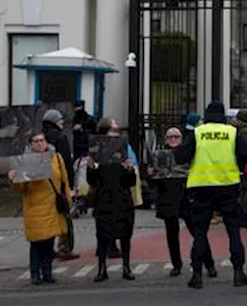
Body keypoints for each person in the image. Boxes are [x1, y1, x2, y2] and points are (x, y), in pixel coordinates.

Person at [174, 101, 247, 289]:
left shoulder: (197, 132)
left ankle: (197, 275)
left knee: (200, 233)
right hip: (227, 184)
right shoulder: (232, 132)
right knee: (233, 231)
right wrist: (239, 165)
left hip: (201, 186)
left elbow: (180, 157)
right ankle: (238, 273)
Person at [9, 131, 73, 285]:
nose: (40, 143)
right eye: (36, 141)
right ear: (31, 144)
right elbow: (20, 188)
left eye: (42, 140)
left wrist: (68, 200)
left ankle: (47, 272)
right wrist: (13, 179)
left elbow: (64, 181)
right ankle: (35, 273)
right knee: (37, 243)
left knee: (49, 242)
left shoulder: (56, 158)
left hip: (52, 207)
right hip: (34, 207)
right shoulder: (24, 161)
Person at [87, 129, 138, 282]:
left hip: (122, 201)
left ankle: (126, 267)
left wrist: (129, 170)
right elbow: (92, 182)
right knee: (102, 236)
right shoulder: (100, 161)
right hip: (104, 201)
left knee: (125, 236)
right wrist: (90, 168)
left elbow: (132, 182)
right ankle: (102, 268)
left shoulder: (123, 160)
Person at [147, 127, 198, 276]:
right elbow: (153, 182)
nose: (173, 139)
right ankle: (176, 264)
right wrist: (151, 175)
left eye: (176, 136)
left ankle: (207, 263)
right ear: (165, 140)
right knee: (171, 235)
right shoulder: (159, 155)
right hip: (167, 198)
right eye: (170, 137)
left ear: (181, 139)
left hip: (185, 197)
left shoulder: (188, 154)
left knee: (196, 232)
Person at [40, 109, 78, 261]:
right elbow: (65, 162)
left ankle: (47, 248)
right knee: (64, 217)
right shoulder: (60, 137)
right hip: (59, 184)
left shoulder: (39, 138)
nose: (62, 122)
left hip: (44, 185)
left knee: (48, 218)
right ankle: (65, 247)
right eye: (60, 120)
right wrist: (69, 183)